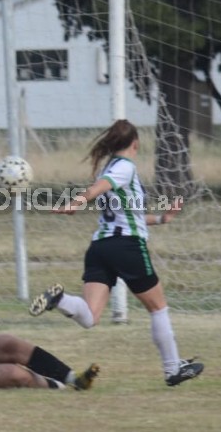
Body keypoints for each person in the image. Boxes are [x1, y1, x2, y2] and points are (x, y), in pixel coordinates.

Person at [28, 119, 204, 387]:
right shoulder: (123, 168)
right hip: (127, 247)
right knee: (158, 307)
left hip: (100, 248)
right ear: (136, 143)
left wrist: (162, 218)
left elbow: (129, 216)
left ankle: (61, 299)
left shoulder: (110, 168)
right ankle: (172, 369)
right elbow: (97, 190)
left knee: (89, 317)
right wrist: (74, 203)